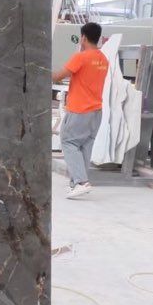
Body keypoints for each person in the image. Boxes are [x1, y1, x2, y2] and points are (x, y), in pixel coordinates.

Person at [53, 22, 109, 199]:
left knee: (69, 143)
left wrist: (39, 70)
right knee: (85, 146)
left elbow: (58, 76)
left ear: (83, 37)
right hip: (96, 112)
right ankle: (77, 184)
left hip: (79, 110)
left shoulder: (81, 57)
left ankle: (80, 182)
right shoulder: (103, 59)